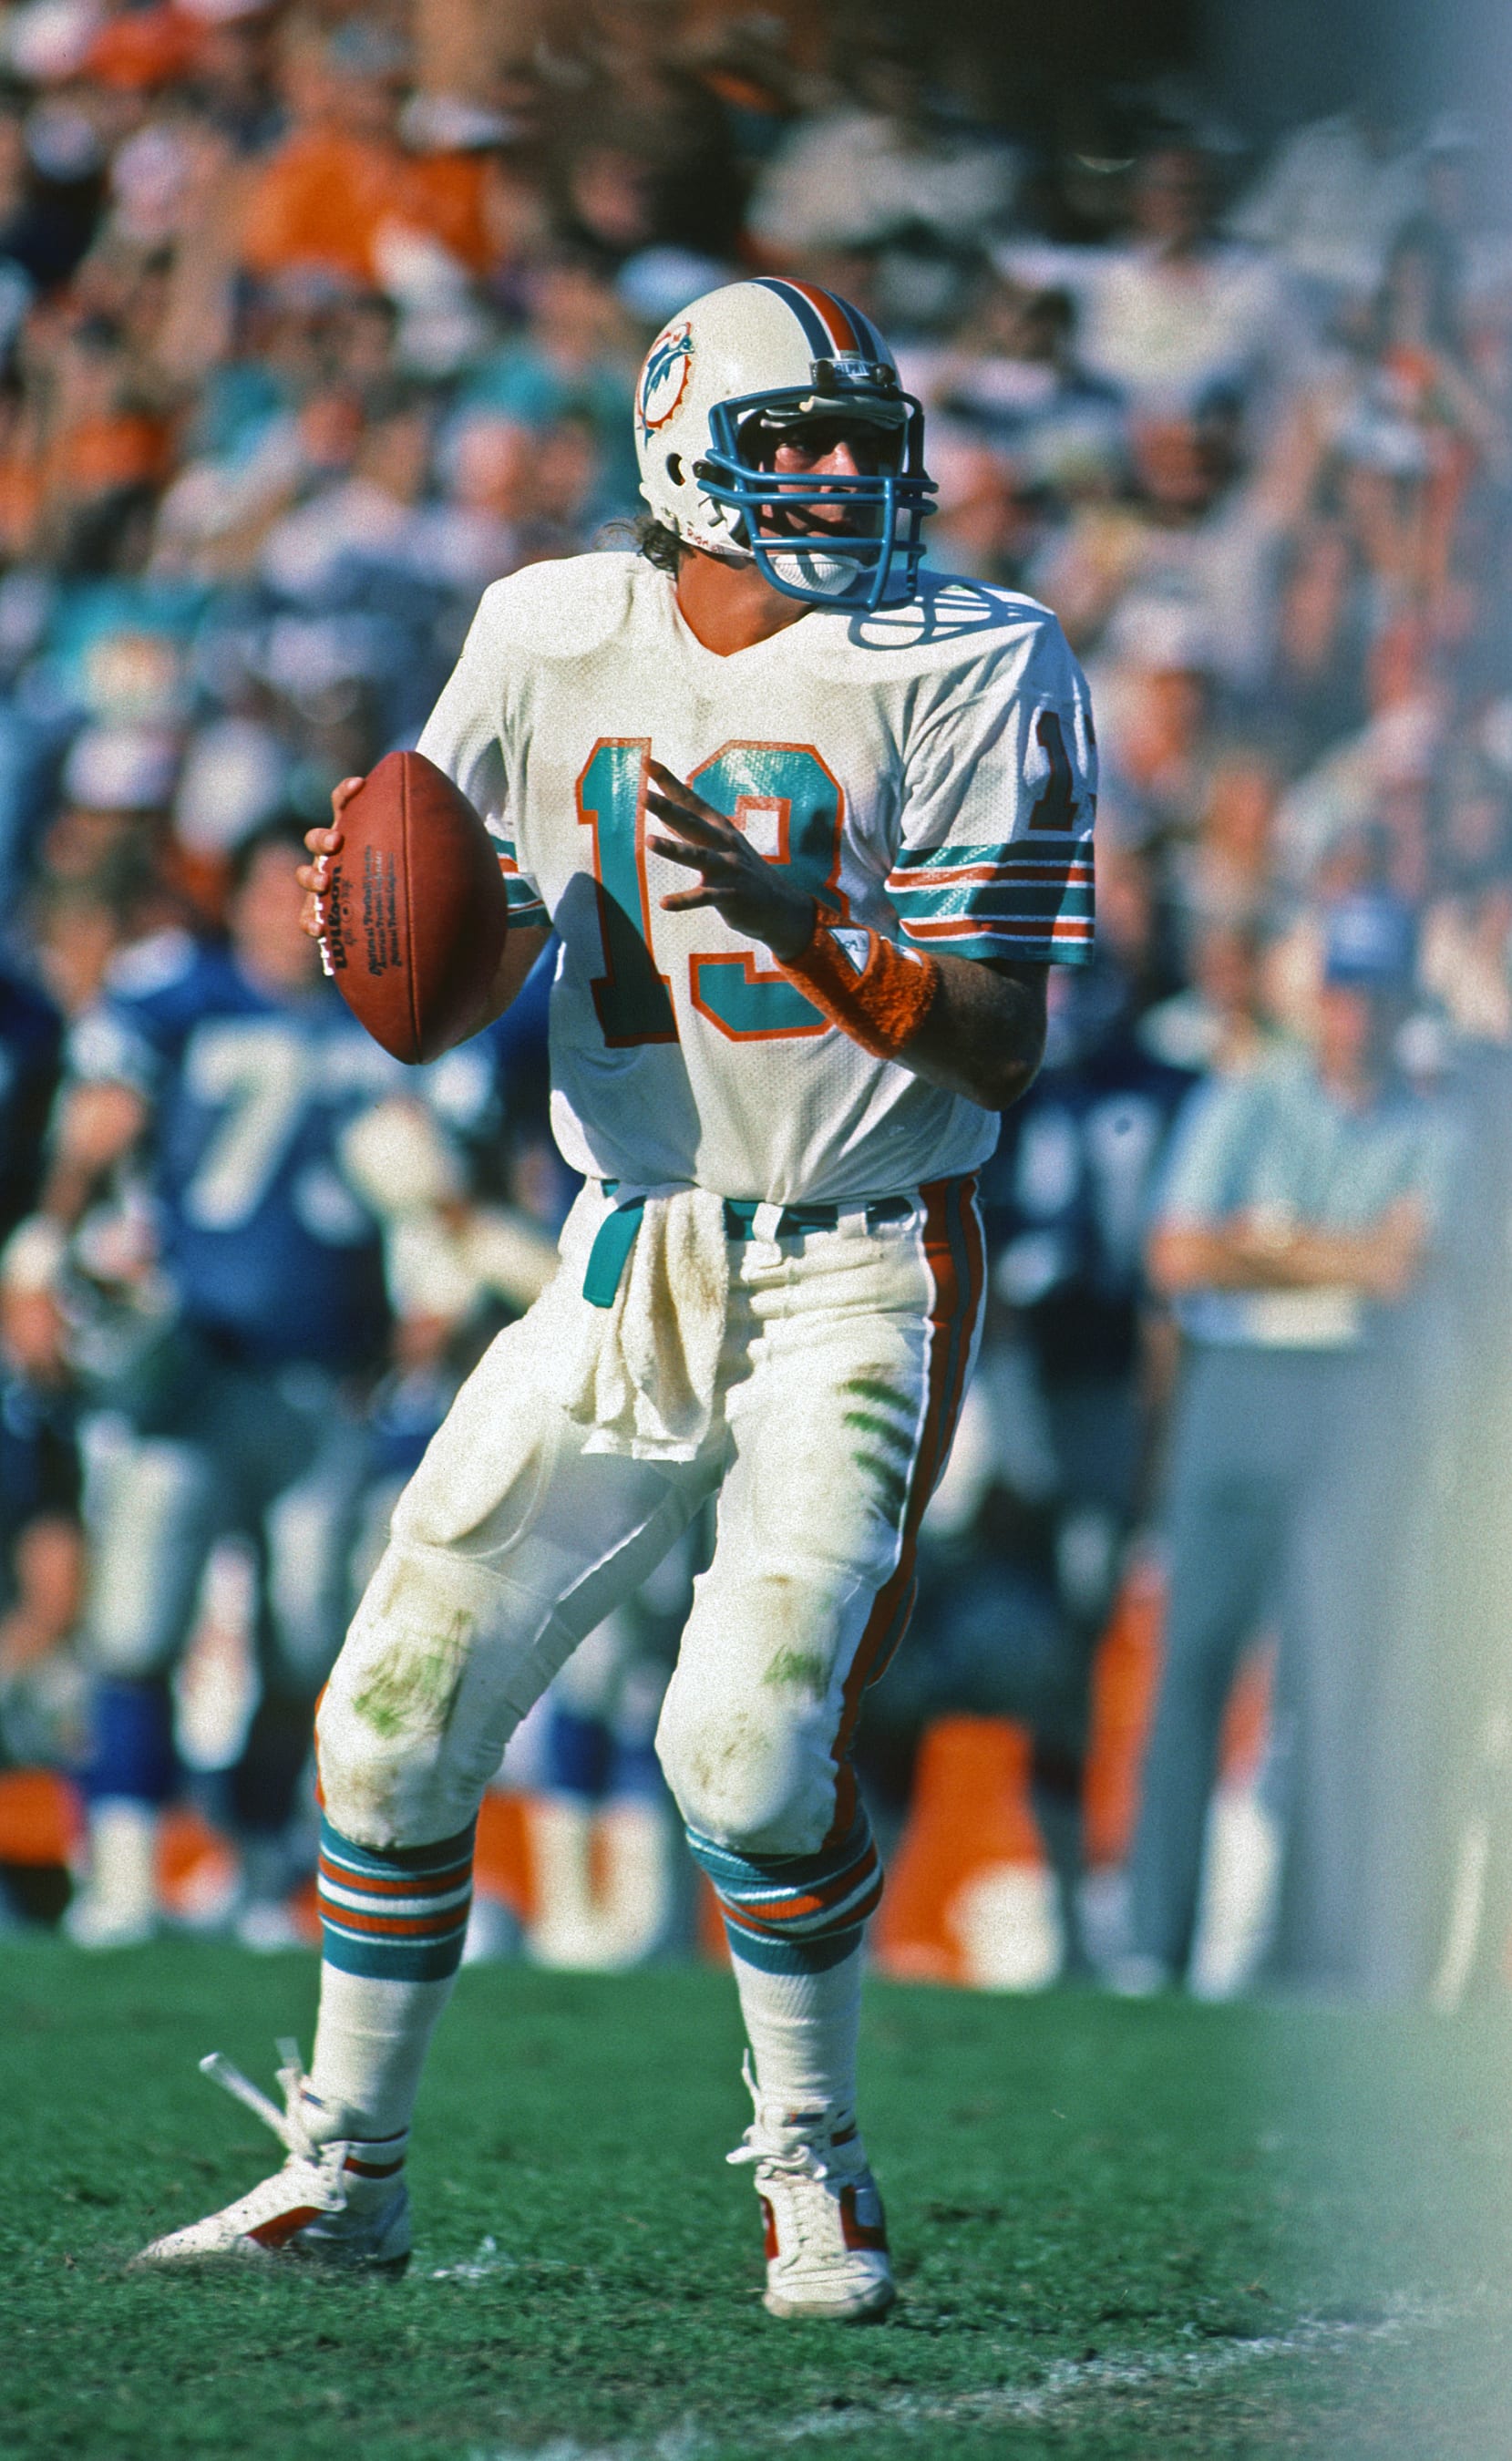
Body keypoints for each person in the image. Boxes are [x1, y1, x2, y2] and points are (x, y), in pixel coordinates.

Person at [136, 278, 1096, 2321]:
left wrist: (820, 937)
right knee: (386, 1724)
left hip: (855, 1262)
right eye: (800, 440)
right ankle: (345, 2175)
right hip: (621, 1242)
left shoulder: (974, 657)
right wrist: (385, 938)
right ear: (680, 454)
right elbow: (467, 953)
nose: (848, 474)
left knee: (744, 1749)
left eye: (864, 436)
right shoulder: (547, 627)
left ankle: (813, 2174)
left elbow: (1000, 1043)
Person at [6, 819, 419, 1946]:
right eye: (278, 891)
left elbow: (436, 1179)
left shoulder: (388, 1009)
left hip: (325, 1381)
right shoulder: (177, 997)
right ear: (233, 900)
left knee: (302, 1638)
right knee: (137, 1624)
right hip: (190, 1373)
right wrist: (44, 1250)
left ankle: (248, 1865)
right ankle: (126, 1872)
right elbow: (98, 1130)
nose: (296, 917)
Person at [1124, 891, 1459, 1996]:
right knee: (1192, 1675)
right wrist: (1336, 1255)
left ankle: (1316, 1953)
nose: (1355, 1014)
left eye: (1375, 993)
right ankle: (1154, 1942)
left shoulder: (1431, 1125)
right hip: (1244, 1389)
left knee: (1333, 1685)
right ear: (1321, 999)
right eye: (1344, 991)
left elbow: (1402, 1271)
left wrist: (1265, 1242)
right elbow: (1177, 1255)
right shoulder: (1250, 1097)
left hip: (1354, 1402)